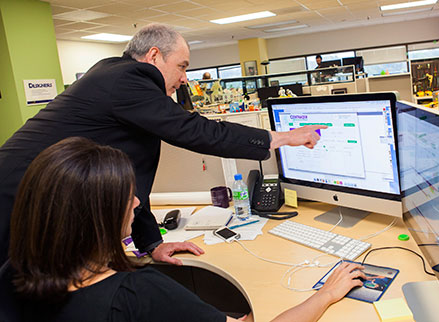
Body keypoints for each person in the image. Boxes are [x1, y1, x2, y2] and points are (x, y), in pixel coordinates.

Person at [0, 23, 326, 266]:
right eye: (182, 66)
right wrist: (280, 138)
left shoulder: (117, 77)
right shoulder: (129, 80)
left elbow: (128, 175)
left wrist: (152, 243)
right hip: (16, 199)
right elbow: (195, 130)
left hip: (36, 197)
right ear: (154, 55)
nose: (185, 78)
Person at [6, 137, 365, 321]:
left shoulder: (15, 275)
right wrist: (326, 294)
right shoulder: (138, 293)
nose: (136, 204)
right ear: (95, 218)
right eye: (126, 198)